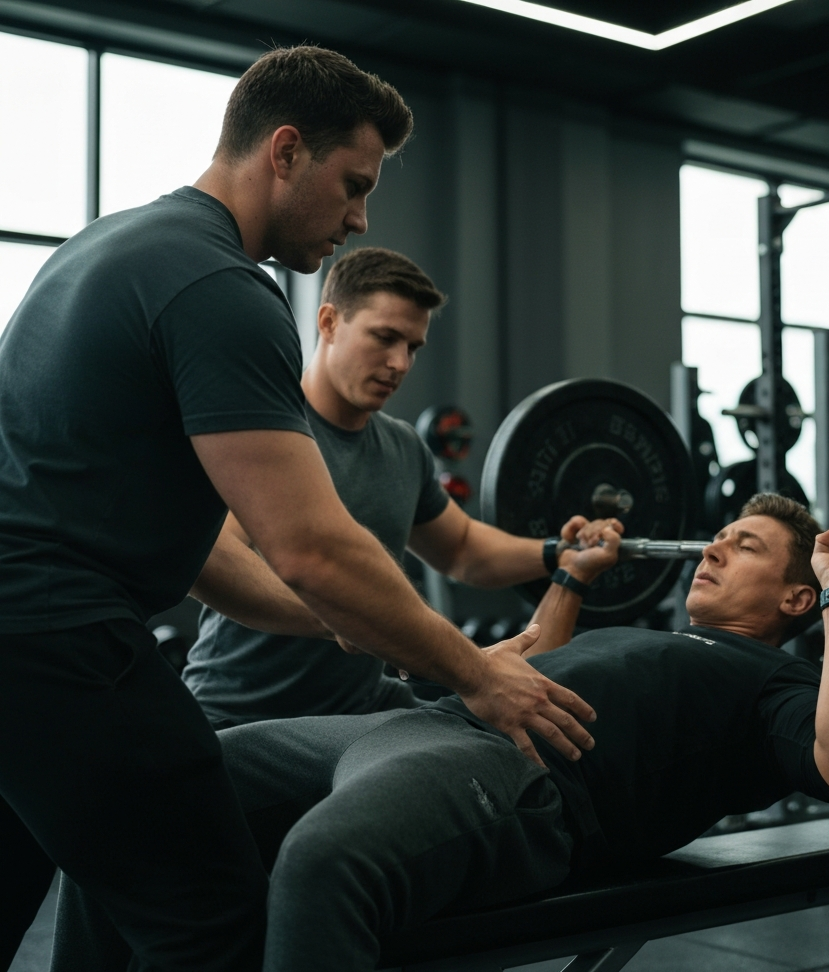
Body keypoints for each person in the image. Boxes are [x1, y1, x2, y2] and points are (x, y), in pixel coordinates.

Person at [0, 46, 596, 972]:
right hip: (56, 636)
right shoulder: (220, 287)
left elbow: (204, 555)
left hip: (25, 638)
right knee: (208, 918)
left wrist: (347, 624)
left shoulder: (109, 246)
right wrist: (480, 673)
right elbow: (311, 546)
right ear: (285, 151)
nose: (361, 216)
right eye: (353, 184)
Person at [215, 495, 829, 972]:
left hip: (512, 779)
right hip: (419, 724)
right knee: (197, 776)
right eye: (716, 541)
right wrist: (571, 578)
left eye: (742, 547)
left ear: (795, 596)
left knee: (323, 863)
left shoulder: (772, 681)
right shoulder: (654, 637)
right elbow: (525, 680)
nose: (712, 553)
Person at [184, 245, 611, 728]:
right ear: (328, 322)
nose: (400, 363)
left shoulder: (403, 447)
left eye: (412, 346)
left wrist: (558, 552)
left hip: (362, 712)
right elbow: (216, 552)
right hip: (242, 714)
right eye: (384, 338)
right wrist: (344, 614)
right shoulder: (270, 431)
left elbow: (464, 550)